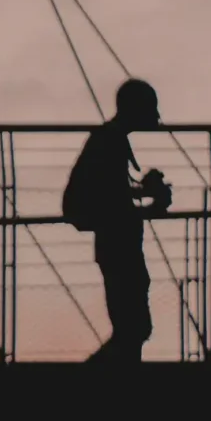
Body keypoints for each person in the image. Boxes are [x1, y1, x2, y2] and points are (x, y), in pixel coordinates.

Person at [62, 79, 172, 363]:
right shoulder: (110, 142)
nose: (156, 117)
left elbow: (111, 198)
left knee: (131, 329)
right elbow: (115, 208)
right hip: (119, 247)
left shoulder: (109, 139)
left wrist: (144, 196)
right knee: (133, 329)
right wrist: (152, 204)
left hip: (116, 245)